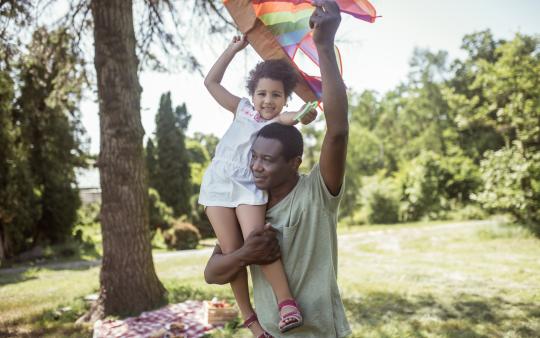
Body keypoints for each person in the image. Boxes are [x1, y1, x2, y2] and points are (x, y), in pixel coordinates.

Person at [204, 1, 351, 337]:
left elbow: (337, 131)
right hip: (270, 333)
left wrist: (324, 46)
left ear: (294, 163)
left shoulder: (316, 195)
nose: (255, 165)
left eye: (267, 159)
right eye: (253, 156)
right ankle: (254, 319)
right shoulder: (247, 204)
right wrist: (245, 253)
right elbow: (213, 273)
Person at [199, 31, 317, 337]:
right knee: (231, 251)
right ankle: (250, 319)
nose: (268, 101)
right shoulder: (241, 108)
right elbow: (210, 83)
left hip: (249, 185)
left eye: (276, 95)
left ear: (284, 98)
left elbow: (304, 116)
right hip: (219, 184)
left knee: (258, 241)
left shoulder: (277, 120)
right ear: (253, 93)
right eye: (262, 93)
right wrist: (233, 49)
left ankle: (286, 303)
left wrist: (310, 108)